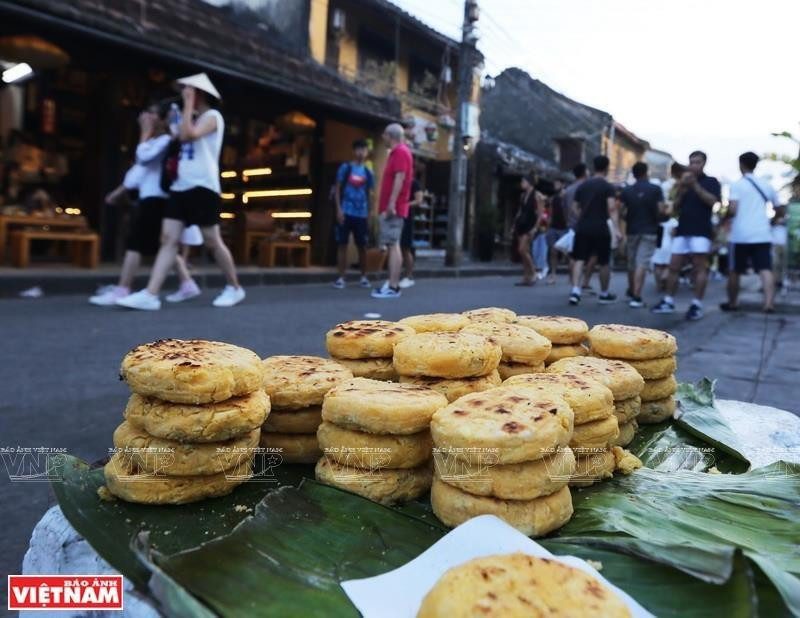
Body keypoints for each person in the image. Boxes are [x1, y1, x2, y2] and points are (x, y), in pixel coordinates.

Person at [118, 73, 245, 310]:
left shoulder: (212, 116)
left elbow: (189, 135)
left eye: (188, 90)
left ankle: (234, 287)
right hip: (180, 186)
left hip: (203, 186)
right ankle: (151, 293)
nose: (184, 93)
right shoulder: (190, 117)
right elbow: (177, 136)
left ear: (198, 93)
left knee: (212, 241)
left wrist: (187, 106)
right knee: (168, 239)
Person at [90, 102, 197, 306]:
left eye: (152, 114)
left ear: (162, 119)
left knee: (136, 244)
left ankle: (123, 288)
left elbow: (143, 159)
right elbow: (138, 173)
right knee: (164, 245)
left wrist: (144, 133)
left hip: (155, 198)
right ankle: (187, 283)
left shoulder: (165, 140)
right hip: (152, 197)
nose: (147, 117)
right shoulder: (159, 140)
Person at [651, 151, 721, 320]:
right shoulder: (684, 184)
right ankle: (668, 300)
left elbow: (713, 202)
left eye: (697, 162)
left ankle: (696, 304)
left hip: (701, 230)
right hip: (682, 230)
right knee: (674, 266)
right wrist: (681, 189)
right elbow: (673, 208)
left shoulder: (711, 182)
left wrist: (695, 185)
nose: (693, 166)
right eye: (691, 162)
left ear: (704, 163)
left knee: (699, 268)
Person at [720, 151, 781, 313]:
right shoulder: (766, 184)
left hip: (740, 235)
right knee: (765, 269)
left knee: (734, 270)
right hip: (762, 234)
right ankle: (768, 304)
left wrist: (724, 218)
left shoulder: (736, 185)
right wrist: (772, 222)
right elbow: (779, 208)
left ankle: (733, 303)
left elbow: (732, 209)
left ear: (740, 164)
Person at [568, 155, 622, 305]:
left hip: (583, 226)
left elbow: (574, 207)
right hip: (600, 227)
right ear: (606, 167)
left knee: (579, 259)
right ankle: (604, 293)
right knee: (604, 261)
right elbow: (611, 208)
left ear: (593, 166)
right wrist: (617, 230)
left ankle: (575, 291)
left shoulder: (583, 186)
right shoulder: (607, 187)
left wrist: (582, 217)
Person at [371, 123, 413, 299]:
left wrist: (391, 203)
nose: (383, 138)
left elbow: (400, 178)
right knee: (393, 244)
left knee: (393, 245)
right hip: (394, 206)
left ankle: (393, 286)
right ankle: (392, 284)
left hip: (394, 208)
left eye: (385, 135)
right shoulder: (399, 152)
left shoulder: (400, 152)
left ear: (390, 136)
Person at [620, 161, 667, 307]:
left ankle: (632, 290)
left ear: (633, 174)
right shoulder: (655, 189)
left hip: (632, 230)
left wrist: (628, 218)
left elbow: (621, 211)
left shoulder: (627, 191)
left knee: (632, 262)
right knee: (642, 262)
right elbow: (661, 211)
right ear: (647, 172)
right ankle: (637, 296)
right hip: (649, 230)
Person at [332, 139, 374, 289]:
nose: (361, 153)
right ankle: (341, 277)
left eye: (364, 150)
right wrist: (338, 209)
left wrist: (370, 214)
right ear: (354, 151)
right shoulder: (346, 168)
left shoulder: (368, 172)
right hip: (346, 211)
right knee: (342, 244)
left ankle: (364, 276)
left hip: (361, 214)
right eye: (359, 149)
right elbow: (337, 188)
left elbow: (370, 194)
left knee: (362, 246)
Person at [563, 163, 597, 293]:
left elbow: (565, 209)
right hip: (585, 224)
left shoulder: (568, 189)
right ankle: (584, 281)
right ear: (585, 172)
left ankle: (574, 283)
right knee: (592, 255)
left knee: (574, 256)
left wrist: (569, 221)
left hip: (571, 225)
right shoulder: (587, 188)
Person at [399, 170, 424, 289]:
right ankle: (397, 275)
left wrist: (405, 205)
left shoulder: (414, 183)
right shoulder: (399, 182)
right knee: (396, 248)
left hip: (407, 218)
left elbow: (419, 200)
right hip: (397, 217)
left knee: (405, 248)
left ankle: (408, 276)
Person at [513, 174, 539, 286]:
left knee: (522, 249)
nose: (522, 184)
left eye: (523, 181)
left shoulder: (537, 195)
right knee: (524, 251)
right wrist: (514, 224)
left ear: (529, 182)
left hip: (530, 225)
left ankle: (533, 273)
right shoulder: (523, 195)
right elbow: (520, 211)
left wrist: (535, 228)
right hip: (521, 224)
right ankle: (526, 276)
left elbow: (540, 213)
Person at [545, 178, 568, 284]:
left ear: (562, 184)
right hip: (553, 227)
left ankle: (573, 275)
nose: (555, 185)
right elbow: (550, 213)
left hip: (564, 228)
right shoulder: (553, 198)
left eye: (557, 183)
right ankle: (553, 274)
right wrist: (548, 226)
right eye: (554, 183)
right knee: (553, 252)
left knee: (569, 252)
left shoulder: (566, 196)